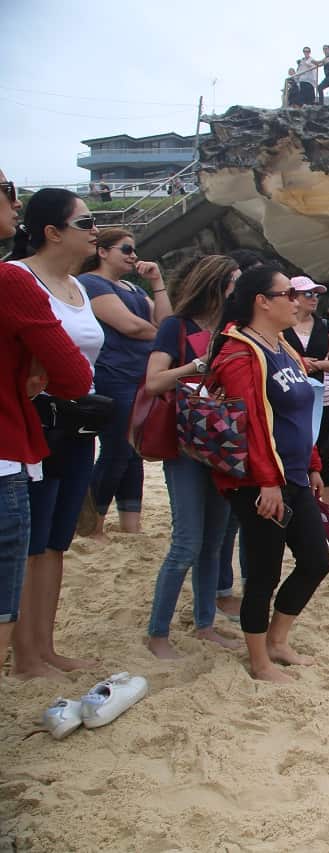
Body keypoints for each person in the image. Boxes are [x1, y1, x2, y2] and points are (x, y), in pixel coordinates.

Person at [207, 265, 329, 682]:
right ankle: (259, 662)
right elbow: (252, 424)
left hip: (292, 475)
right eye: (287, 295)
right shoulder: (240, 351)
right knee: (264, 572)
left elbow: (300, 411)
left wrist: (313, 465)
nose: (297, 301)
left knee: (315, 561)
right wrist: (266, 482)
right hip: (261, 482)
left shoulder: (282, 346)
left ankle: (278, 641)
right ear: (262, 301)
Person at [6, 189, 104, 678]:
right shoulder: (20, 276)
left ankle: (46, 647)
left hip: (78, 422)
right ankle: (24, 656)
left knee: (58, 540)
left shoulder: (80, 286)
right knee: (31, 538)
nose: (95, 231)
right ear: (52, 231)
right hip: (39, 417)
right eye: (86, 222)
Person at [142, 255, 242, 659]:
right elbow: (153, 383)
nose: (241, 289)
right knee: (186, 543)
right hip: (185, 444)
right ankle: (157, 633)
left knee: (214, 544)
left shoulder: (232, 330)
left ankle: (204, 625)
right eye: (236, 282)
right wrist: (199, 365)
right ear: (217, 285)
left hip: (219, 444)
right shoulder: (176, 327)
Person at [79, 228, 171, 540]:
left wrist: (158, 283)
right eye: (126, 249)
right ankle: (92, 525)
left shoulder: (131, 286)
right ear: (103, 252)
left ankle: (130, 524)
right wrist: (163, 333)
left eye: (134, 249)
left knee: (134, 451)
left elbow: (166, 320)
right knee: (117, 449)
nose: (133, 255)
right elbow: (131, 326)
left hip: (139, 376)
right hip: (113, 375)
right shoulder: (91, 283)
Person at [282, 276, 329, 507]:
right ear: (293, 297)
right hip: (291, 396)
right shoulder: (281, 327)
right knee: (297, 449)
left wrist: (316, 365)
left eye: (317, 294)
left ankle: (327, 509)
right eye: (308, 294)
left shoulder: (325, 326)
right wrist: (299, 362)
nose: (314, 299)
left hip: (325, 398)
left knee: (326, 454)